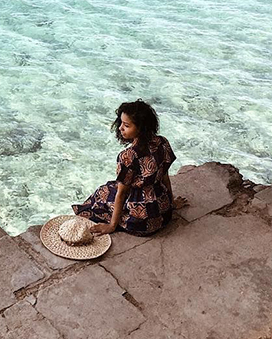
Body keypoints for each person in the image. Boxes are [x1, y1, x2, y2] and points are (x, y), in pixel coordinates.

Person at [72, 99, 186, 236]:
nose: (120, 128)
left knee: (101, 193)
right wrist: (171, 202)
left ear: (141, 128)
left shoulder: (128, 156)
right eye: (121, 123)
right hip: (162, 213)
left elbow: (122, 194)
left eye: (126, 125)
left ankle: (82, 223)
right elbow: (165, 177)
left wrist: (112, 226)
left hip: (141, 222)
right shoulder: (162, 142)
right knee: (111, 188)